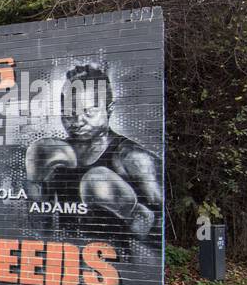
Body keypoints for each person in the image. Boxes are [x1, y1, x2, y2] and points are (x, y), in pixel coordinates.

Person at [25, 64, 163, 239]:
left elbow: (166, 232)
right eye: (69, 113)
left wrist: (135, 215)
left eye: (89, 111)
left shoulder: (135, 159)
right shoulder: (55, 154)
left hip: (116, 262)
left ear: (109, 109)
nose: (77, 121)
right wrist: (34, 187)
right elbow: (40, 227)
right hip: (69, 259)